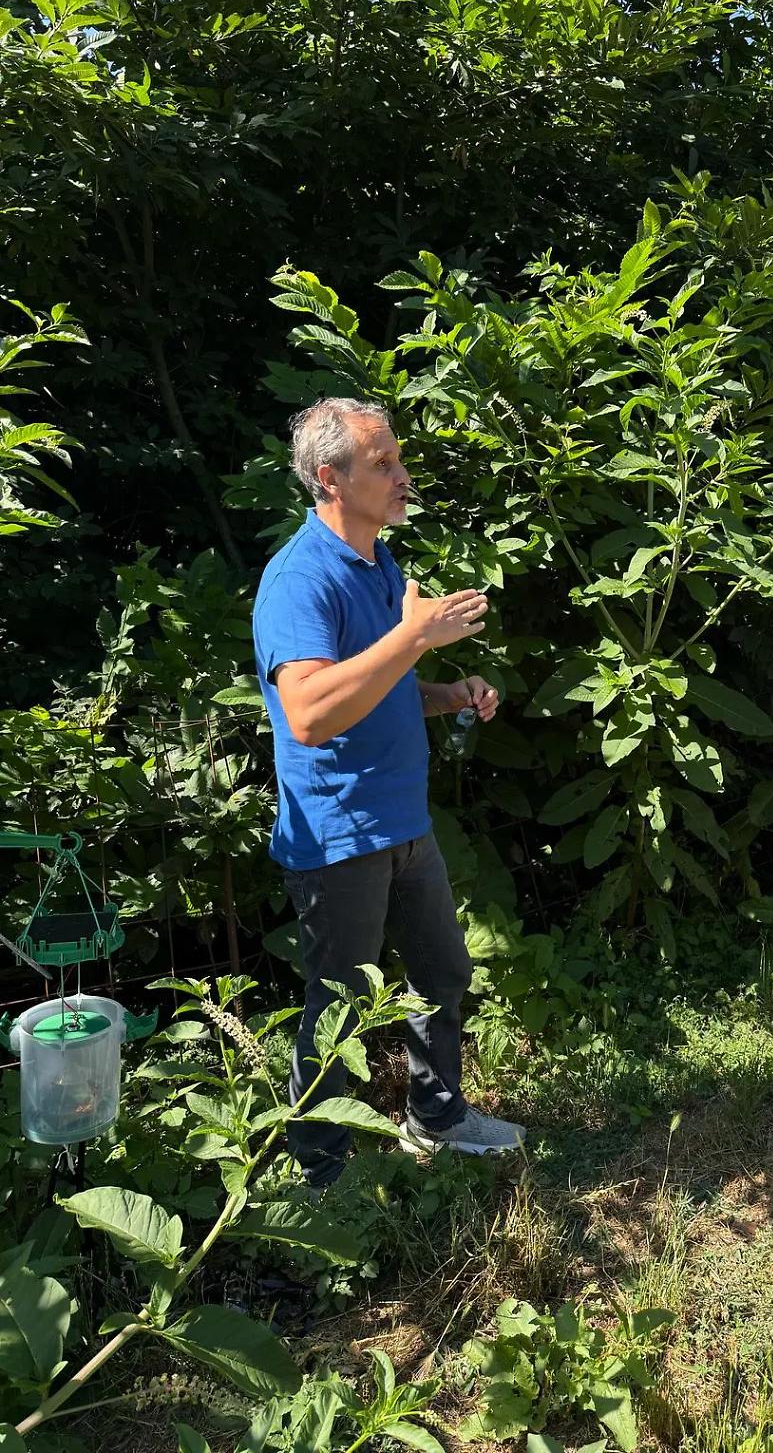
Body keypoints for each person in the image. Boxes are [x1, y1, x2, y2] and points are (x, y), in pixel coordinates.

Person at [252, 397, 525, 1188]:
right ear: (331, 479)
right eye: (385, 465)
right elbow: (305, 713)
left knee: (442, 971)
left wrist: (448, 691)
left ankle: (435, 1115)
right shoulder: (298, 579)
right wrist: (414, 636)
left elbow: (375, 684)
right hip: (339, 835)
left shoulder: (380, 565)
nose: (403, 478)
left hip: (404, 820)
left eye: (398, 461)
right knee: (335, 1012)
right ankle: (319, 1177)